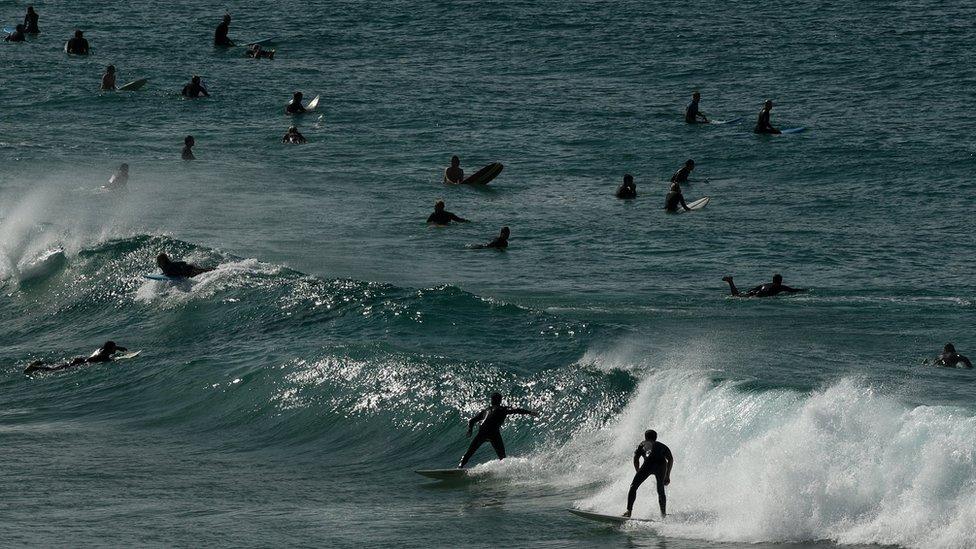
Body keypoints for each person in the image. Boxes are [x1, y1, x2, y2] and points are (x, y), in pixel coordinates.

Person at [458, 392, 539, 468]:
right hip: (493, 433)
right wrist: (530, 412)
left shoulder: (485, 411)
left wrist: (470, 430)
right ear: (500, 401)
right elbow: (517, 410)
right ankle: (505, 470)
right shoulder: (502, 409)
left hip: (482, 432)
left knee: (469, 452)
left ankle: (460, 466)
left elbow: (471, 421)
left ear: (491, 401)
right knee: (502, 457)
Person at [624, 429, 673, 518]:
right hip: (661, 466)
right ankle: (663, 514)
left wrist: (638, 472)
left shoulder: (642, 444)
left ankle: (629, 511)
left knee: (633, 486)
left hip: (648, 465)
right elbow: (670, 459)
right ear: (656, 437)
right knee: (660, 490)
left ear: (645, 437)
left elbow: (636, 459)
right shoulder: (662, 446)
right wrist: (667, 475)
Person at [24, 341, 128, 374]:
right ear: (110, 348)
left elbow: (106, 348)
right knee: (53, 369)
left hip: (80, 359)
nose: (115, 349)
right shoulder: (104, 356)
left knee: (57, 366)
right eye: (114, 347)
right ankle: (34, 368)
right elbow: (112, 360)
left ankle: (40, 363)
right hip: (80, 363)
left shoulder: (102, 350)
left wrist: (118, 348)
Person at [722, 274, 806, 297]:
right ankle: (730, 282)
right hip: (761, 294)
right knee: (738, 297)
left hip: (756, 291)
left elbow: (752, 289)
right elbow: (793, 290)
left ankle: (731, 282)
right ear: (780, 281)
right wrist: (804, 290)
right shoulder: (780, 286)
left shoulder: (765, 284)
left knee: (737, 296)